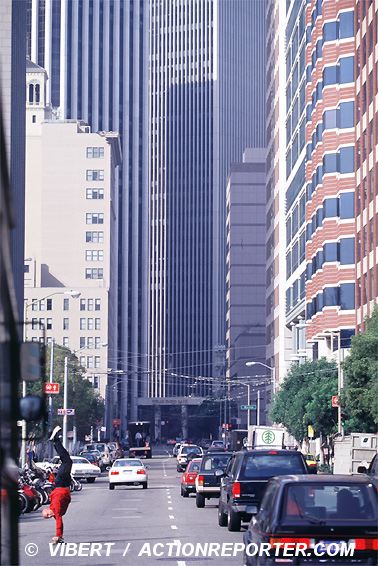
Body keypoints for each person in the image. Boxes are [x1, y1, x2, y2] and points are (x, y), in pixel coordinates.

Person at [42, 426, 72, 544]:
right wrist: (60, 537)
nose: (50, 516)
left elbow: (59, 522)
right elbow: (59, 521)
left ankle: (56, 440)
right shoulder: (55, 511)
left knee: (67, 461)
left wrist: (58, 536)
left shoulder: (55, 508)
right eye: (48, 517)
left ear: (48, 510)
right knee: (67, 460)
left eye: (48, 515)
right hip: (63, 483)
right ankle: (55, 440)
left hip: (61, 483)